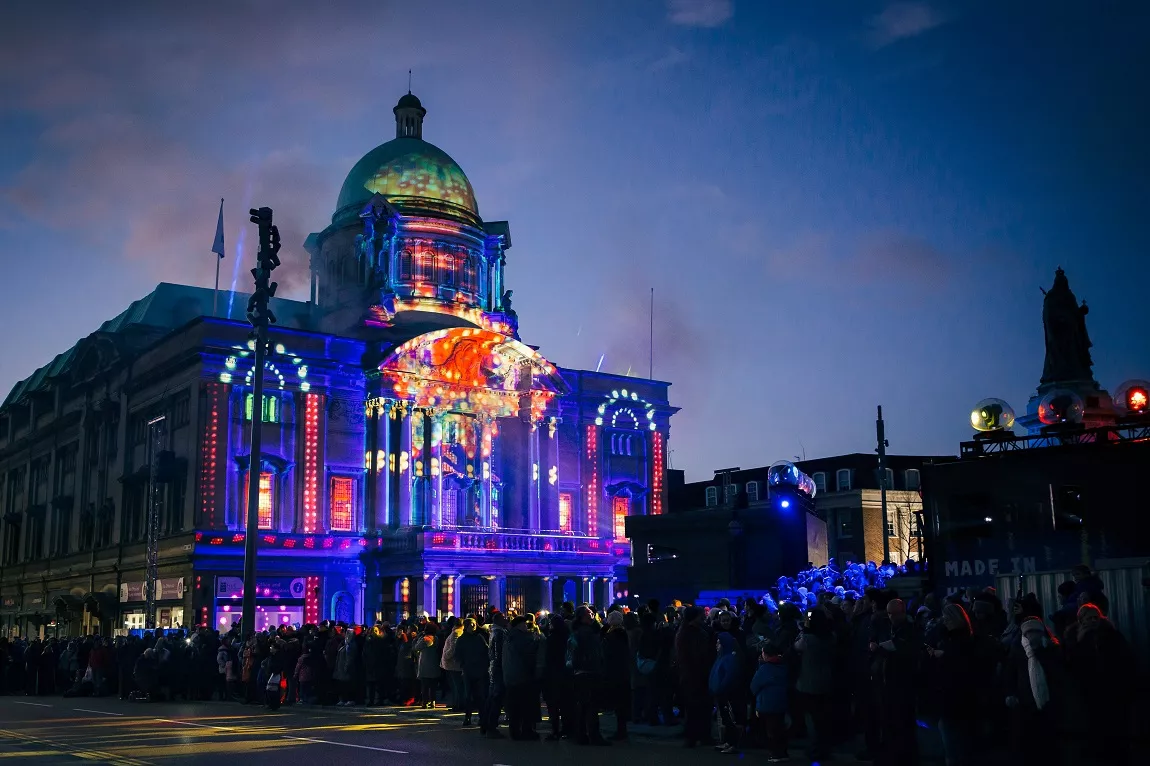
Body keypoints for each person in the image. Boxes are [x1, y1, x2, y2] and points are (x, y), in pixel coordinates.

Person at [569, 606, 610, 746]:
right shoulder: (586, 632)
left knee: (583, 706)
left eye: (592, 613)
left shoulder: (580, 631)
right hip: (589, 672)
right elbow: (594, 652)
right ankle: (594, 735)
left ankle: (582, 735)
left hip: (582, 672)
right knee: (591, 705)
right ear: (581, 617)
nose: (592, 615)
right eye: (589, 613)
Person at [675, 605, 715, 748]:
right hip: (695, 675)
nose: (704, 617)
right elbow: (694, 656)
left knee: (697, 708)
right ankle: (696, 736)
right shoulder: (689, 634)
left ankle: (696, 736)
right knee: (696, 708)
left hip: (693, 675)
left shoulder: (689, 632)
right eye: (701, 615)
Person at [751, 644, 790, 763]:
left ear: (766, 654)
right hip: (782, 702)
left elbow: (754, 686)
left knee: (770, 730)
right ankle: (782, 752)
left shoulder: (764, 669)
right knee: (779, 728)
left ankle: (775, 753)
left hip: (766, 703)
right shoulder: (784, 667)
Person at [709, 631, 744, 755]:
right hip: (720, 693)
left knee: (729, 719)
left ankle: (733, 743)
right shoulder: (722, 656)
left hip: (726, 693)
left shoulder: (729, 658)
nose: (717, 645)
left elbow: (729, 676)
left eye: (719, 643)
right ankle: (728, 742)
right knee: (725, 718)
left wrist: (721, 688)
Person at [454, 618, 490, 728]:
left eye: (474, 624)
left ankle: (482, 717)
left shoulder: (479, 638)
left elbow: (486, 651)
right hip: (468, 670)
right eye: (471, 625)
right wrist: (464, 663)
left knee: (480, 695)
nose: (473, 626)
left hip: (479, 670)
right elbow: (457, 655)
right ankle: (468, 717)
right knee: (468, 695)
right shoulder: (461, 640)